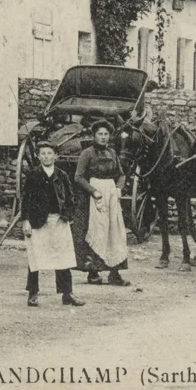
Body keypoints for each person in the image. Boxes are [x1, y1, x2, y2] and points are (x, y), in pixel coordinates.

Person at [22, 141, 84, 307]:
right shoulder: (33, 175)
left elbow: (71, 198)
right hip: (38, 222)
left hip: (58, 220)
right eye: (43, 153)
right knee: (35, 258)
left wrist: (67, 216)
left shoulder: (62, 175)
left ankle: (67, 294)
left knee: (63, 257)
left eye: (49, 153)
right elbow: (26, 199)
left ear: (55, 156)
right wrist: (26, 220)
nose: (46, 156)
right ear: (38, 156)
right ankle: (33, 294)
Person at [71, 119, 130, 286]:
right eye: (100, 134)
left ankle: (115, 273)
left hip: (111, 195)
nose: (103, 137)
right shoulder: (87, 153)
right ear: (94, 136)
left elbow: (121, 174)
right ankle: (93, 272)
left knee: (114, 231)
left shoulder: (112, 153)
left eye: (106, 134)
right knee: (96, 231)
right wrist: (93, 191)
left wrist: (118, 188)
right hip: (94, 196)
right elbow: (78, 177)